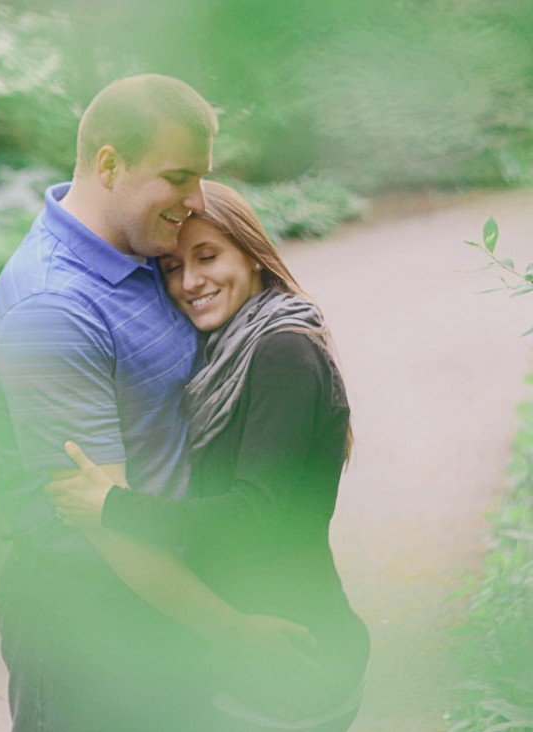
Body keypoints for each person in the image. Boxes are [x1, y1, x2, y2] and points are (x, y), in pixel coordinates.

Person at [0, 74, 310, 732]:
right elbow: (100, 520)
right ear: (109, 165)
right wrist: (231, 630)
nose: (196, 200)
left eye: (201, 177)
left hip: (168, 596)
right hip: (89, 621)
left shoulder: (148, 254)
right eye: (178, 177)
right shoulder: (54, 309)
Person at [44, 180, 371, 731]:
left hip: (292, 652)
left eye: (208, 256)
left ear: (253, 255)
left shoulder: (283, 352)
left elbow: (256, 516)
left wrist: (111, 506)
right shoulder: (228, 351)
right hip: (264, 647)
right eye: (172, 267)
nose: (190, 282)